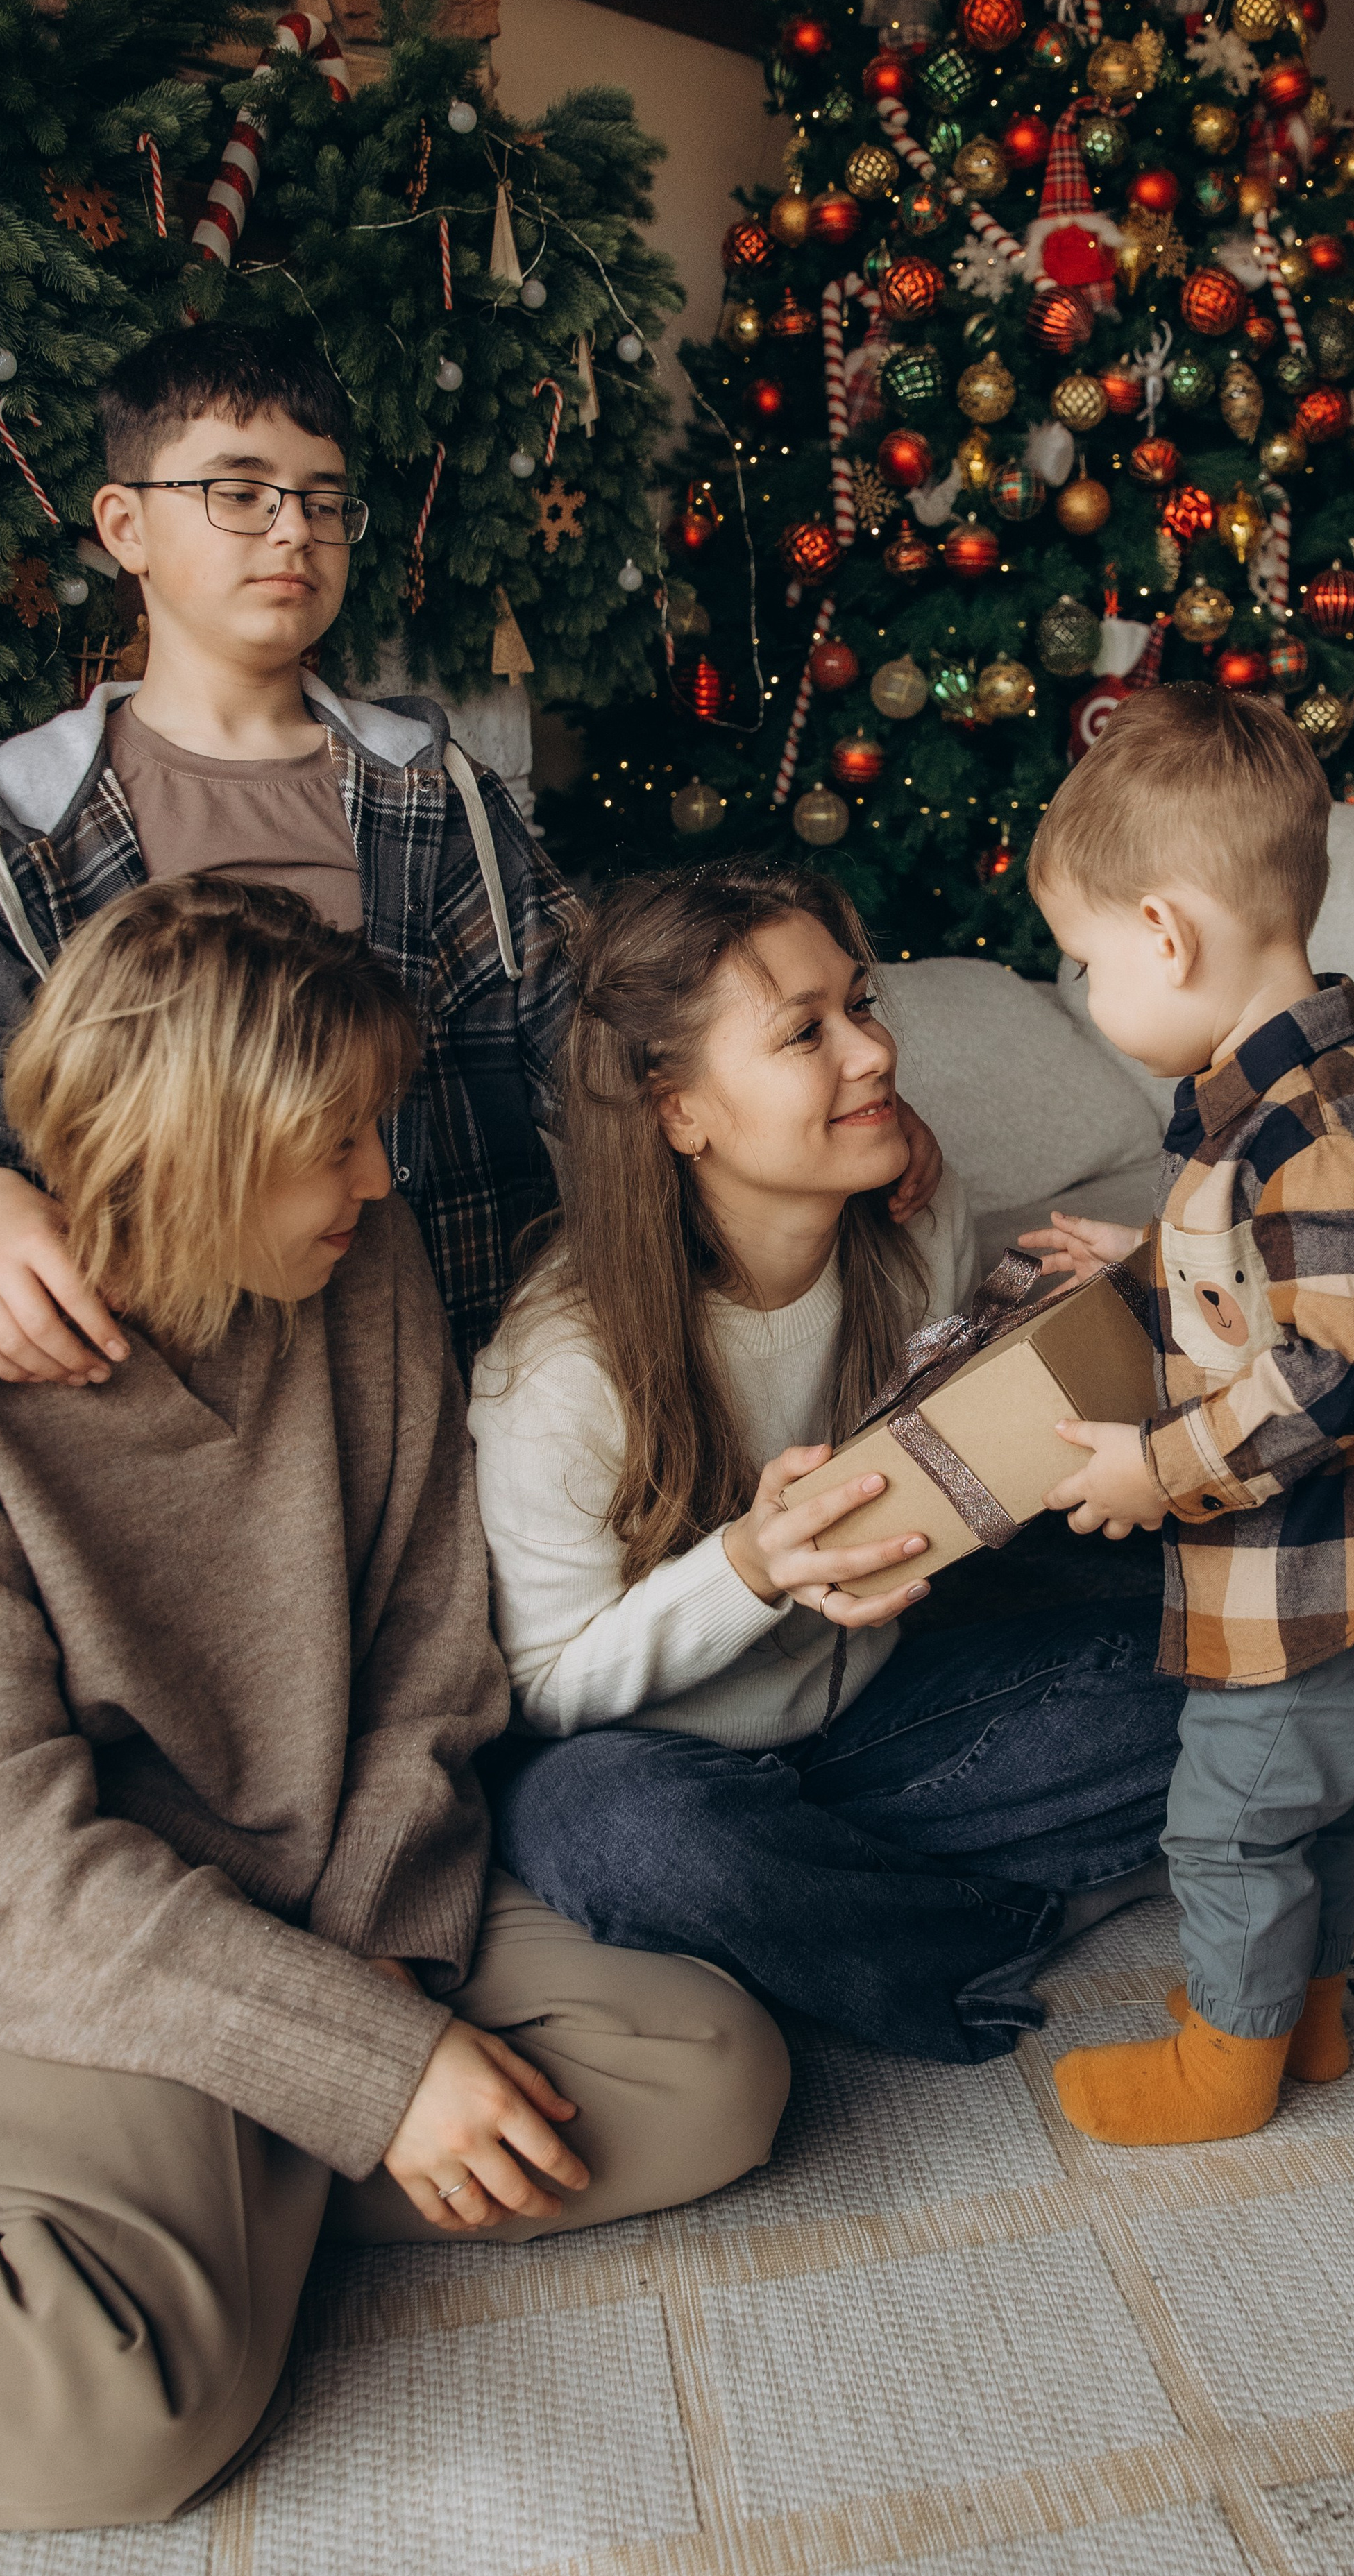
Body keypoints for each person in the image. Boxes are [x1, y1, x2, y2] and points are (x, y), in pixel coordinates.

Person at [0, 879, 789, 2531]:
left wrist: (379, 1997)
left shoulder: (364, 1264)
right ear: (192, 1135)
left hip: (325, 1888)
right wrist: (375, 2077)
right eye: (334, 1139)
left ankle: (156, 2231)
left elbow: (424, 1661)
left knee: (707, 2074)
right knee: (111, 2423)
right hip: (82, 1928)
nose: (380, 1178)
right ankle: (132, 2263)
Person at [0, 323, 942, 1377]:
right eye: (239, 494)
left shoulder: (429, 790)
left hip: (451, 1322)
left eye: (324, 503)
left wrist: (825, 1101)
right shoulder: (28, 819)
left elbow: (590, 1027)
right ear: (125, 525)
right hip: (182, 1358)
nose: (293, 532)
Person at [470, 862, 1187, 2069]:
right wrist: (744, 1571)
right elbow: (538, 1689)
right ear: (676, 1110)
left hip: (873, 1724)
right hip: (651, 1764)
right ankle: (1000, 1922)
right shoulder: (562, 1372)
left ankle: (820, 1921)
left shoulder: (911, 1227)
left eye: (861, 1006)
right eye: (805, 1033)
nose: (870, 1054)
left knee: (1233, 1665)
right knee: (625, 1840)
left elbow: (955, 1454)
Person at [1022, 684, 1354, 2147]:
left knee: (1229, 1826)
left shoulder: (1310, 1135)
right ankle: (1303, 2026)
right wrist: (1146, 1264)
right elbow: (1298, 1291)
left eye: (1081, 961)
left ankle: (1216, 2071)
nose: (1091, 996)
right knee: (1322, 1808)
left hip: (1330, 1581)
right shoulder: (1305, 1107)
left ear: (1164, 934)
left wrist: (1156, 1468)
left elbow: (1330, 1368)